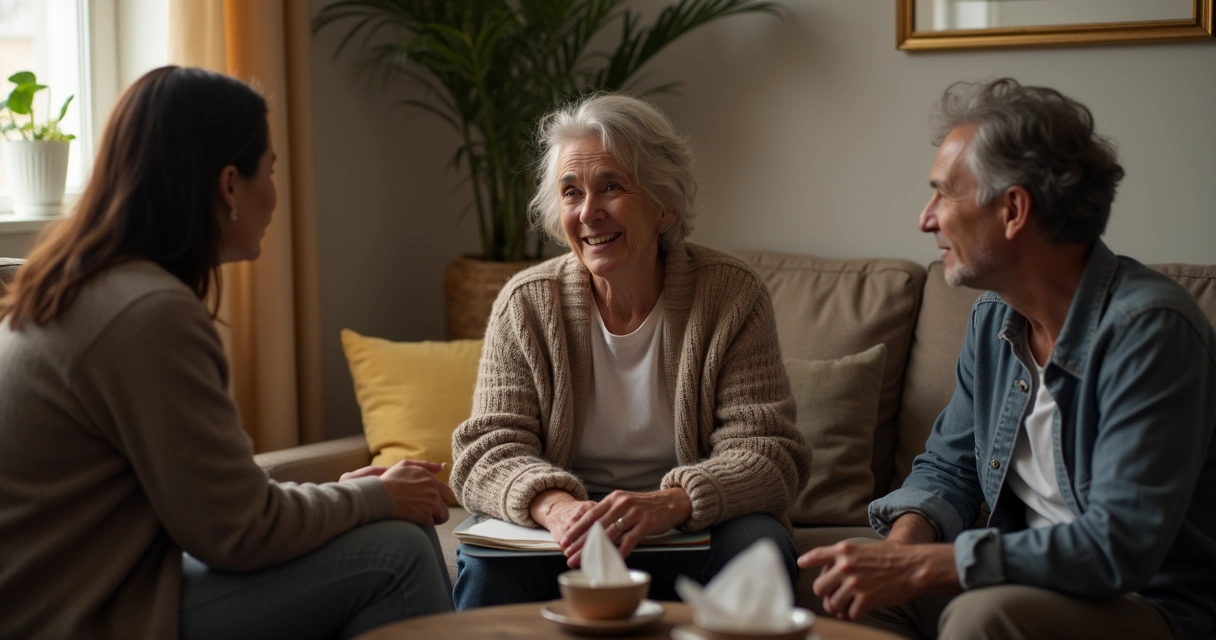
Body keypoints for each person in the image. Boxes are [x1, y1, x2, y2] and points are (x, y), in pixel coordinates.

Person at [0, 66, 455, 640]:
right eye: (269, 170)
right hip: (81, 614)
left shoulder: (87, 287)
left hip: (78, 589)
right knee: (399, 551)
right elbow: (237, 534)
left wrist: (351, 495)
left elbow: (213, 506)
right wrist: (375, 498)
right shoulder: (146, 314)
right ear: (229, 185)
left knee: (385, 534)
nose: (275, 191)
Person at [799, 78, 1216, 640]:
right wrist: (895, 556)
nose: (926, 219)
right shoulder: (995, 319)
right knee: (832, 588)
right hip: (1022, 582)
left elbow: (1118, 547)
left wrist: (925, 566)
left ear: (1014, 209)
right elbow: (951, 467)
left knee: (983, 616)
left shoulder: (1151, 332)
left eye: (944, 193)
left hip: (1145, 604)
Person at [449, 93, 811, 609]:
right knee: (488, 572)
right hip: (569, 536)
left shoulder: (730, 295)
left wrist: (673, 501)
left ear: (664, 203)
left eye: (611, 187)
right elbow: (486, 449)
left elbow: (770, 450)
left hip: (688, 524)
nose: (589, 212)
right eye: (571, 193)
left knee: (761, 548)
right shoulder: (526, 303)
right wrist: (555, 507)